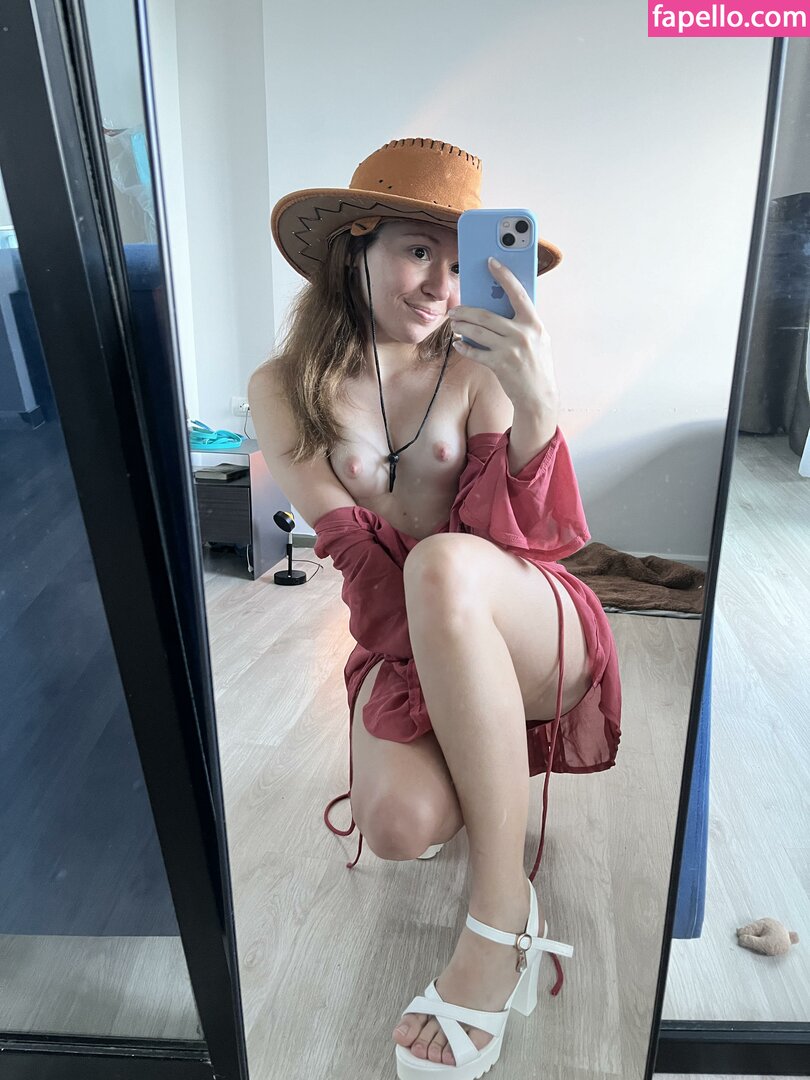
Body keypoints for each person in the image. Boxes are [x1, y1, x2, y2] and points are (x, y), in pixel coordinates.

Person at [249, 137, 621, 1078]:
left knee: (446, 565)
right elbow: (356, 560)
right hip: (408, 632)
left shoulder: (484, 367)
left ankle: (499, 924)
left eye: (461, 264)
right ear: (357, 248)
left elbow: (531, 540)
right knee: (397, 828)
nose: (441, 287)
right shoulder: (283, 388)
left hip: (531, 627)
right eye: (419, 251)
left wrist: (538, 405)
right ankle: (470, 757)